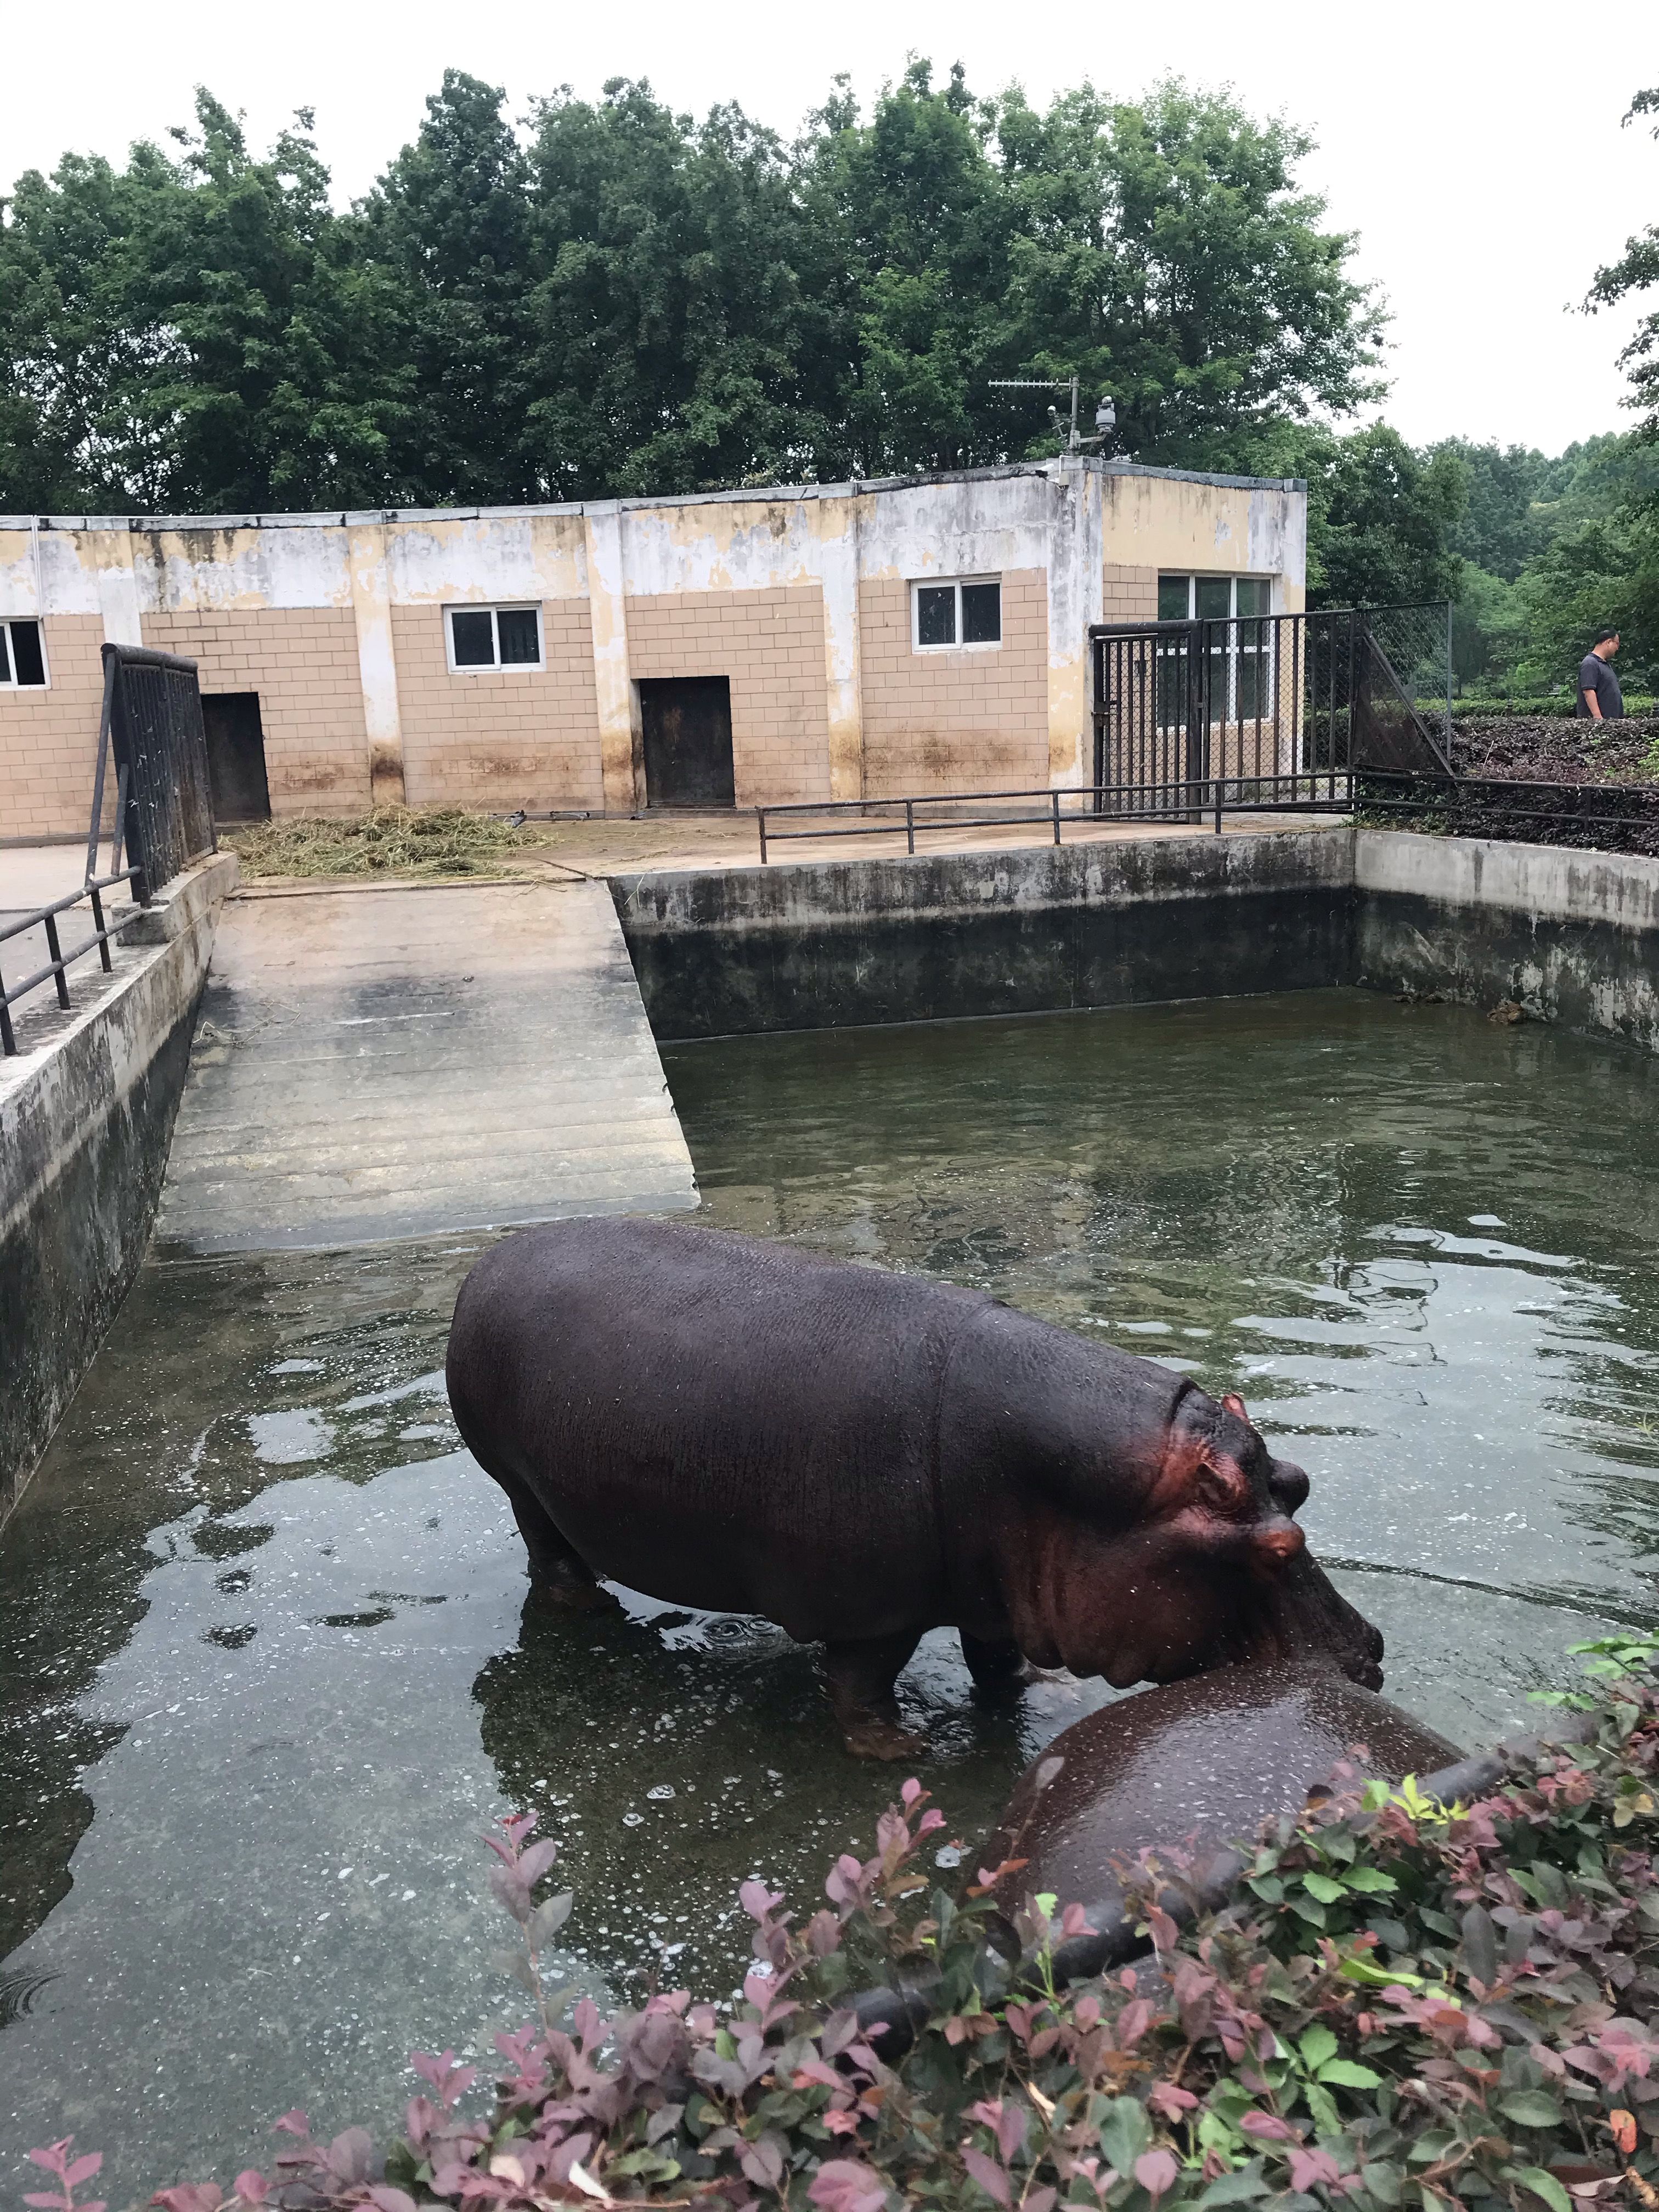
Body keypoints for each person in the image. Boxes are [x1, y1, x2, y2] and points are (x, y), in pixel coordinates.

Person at [1577, 627, 1624, 720]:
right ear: (1609, 642)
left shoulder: (1604, 665)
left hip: (1611, 723)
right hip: (1599, 724)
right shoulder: (1590, 663)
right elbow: (1589, 691)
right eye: (1617, 644)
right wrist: (1598, 718)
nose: (1617, 648)